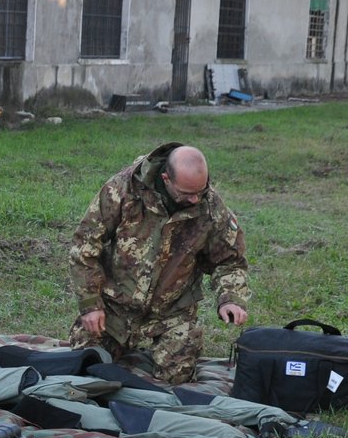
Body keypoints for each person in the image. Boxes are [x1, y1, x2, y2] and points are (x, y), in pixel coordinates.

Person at [67, 142, 249, 384]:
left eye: (200, 191)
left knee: (176, 380)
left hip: (171, 312)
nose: (195, 200)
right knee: (85, 367)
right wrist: (91, 304)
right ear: (166, 178)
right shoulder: (124, 189)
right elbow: (85, 246)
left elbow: (230, 260)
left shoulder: (211, 207)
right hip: (115, 307)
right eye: (186, 194)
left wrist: (231, 298)